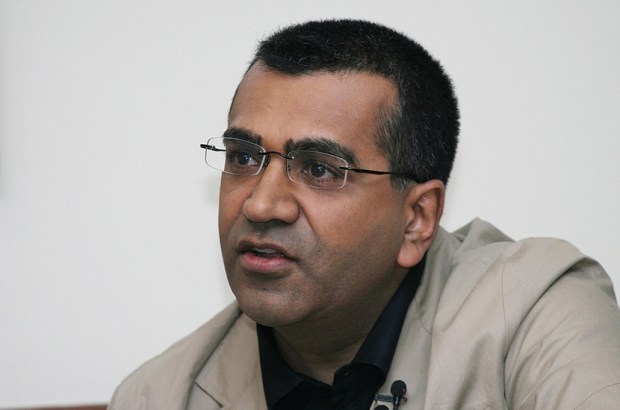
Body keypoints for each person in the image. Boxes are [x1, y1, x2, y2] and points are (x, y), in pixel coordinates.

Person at [109, 19, 620, 409]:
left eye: (319, 169)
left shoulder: (534, 314)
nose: (260, 204)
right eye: (244, 158)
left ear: (416, 219)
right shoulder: (158, 396)